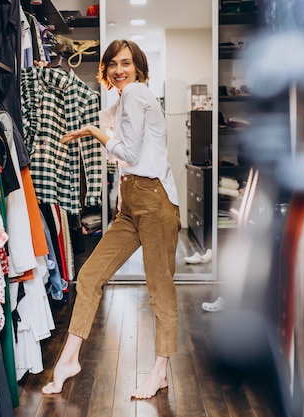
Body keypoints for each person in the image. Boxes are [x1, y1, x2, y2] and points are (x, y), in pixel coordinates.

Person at [41, 39, 181, 399]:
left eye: (126, 63)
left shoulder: (135, 93)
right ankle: (69, 359)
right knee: (89, 276)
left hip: (154, 200)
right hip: (131, 202)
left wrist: (93, 131)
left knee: (159, 289)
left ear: (138, 68)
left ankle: (161, 371)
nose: (120, 70)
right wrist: (104, 123)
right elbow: (124, 155)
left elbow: (129, 154)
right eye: (113, 64)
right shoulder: (123, 101)